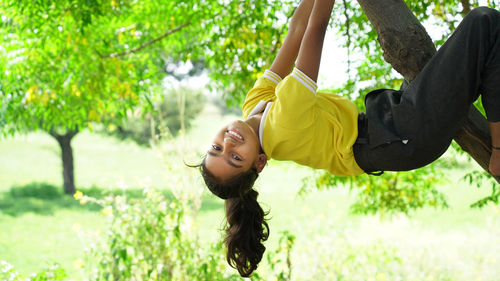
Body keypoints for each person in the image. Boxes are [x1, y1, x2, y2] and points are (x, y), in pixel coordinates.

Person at [193, 0, 500, 276]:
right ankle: (498, 149)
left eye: (217, 148)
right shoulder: (283, 124)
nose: (229, 143)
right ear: (259, 162)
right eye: (235, 158)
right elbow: (316, 27)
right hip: (399, 137)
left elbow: (297, 28)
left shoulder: (253, 105)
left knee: (484, 52)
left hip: (388, 121)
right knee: (485, 24)